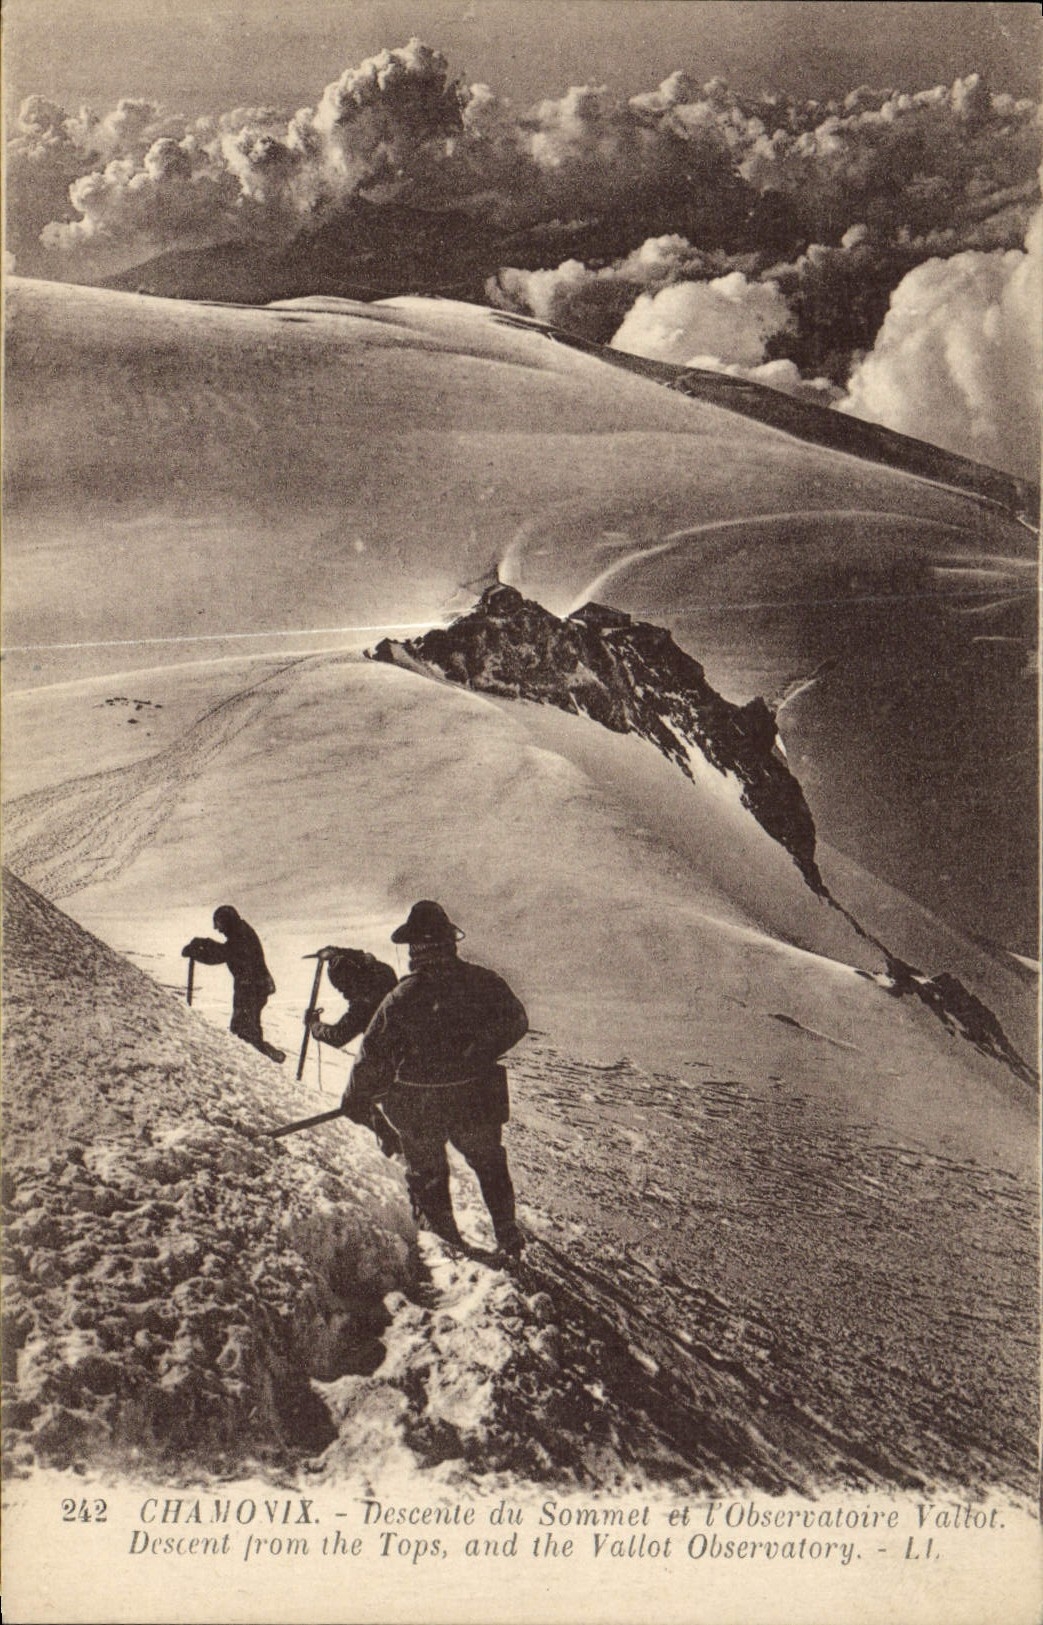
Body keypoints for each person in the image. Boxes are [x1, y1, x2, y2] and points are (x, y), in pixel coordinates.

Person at [342, 900, 529, 1254]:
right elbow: (517, 1020)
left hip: (419, 1106)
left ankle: (448, 1244)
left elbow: (372, 1054)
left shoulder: (401, 997)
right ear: (450, 941)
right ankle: (507, 1233)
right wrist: (479, 1050)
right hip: (474, 1099)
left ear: (415, 948)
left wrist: (355, 1097)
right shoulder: (483, 981)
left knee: (428, 1173)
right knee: (490, 1164)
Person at [182, 905, 285, 1063]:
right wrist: (204, 943)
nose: (217, 929)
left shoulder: (240, 936)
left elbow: (221, 955)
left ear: (227, 921)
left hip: (252, 989)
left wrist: (197, 952)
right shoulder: (240, 932)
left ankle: (263, 1060)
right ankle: (265, 1058)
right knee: (245, 1029)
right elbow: (225, 949)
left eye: (218, 924)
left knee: (243, 1031)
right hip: (253, 987)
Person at [305, 947, 398, 1051]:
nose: (344, 993)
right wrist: (337, 952)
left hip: (389, 1052)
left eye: (342, 988)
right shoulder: (384, 974)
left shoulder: (362, 1006)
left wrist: (314, 1024)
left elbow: (338, 1036)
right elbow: (366, 959)